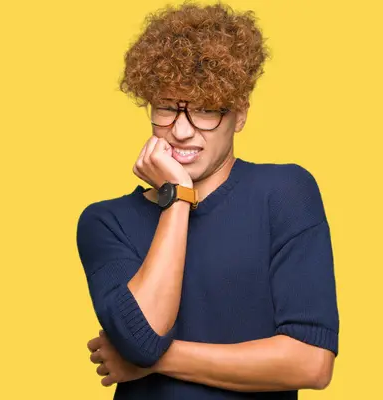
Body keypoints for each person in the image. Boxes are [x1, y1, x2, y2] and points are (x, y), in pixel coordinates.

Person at [75, 2, 340, 399]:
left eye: (205, 110)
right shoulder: (105, 221)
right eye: (167, 107)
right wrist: (177, 197)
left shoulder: (285, 193)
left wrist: (151, 362)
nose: (181, 130)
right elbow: (143, 337)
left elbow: (311, 363)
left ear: (240, 115)